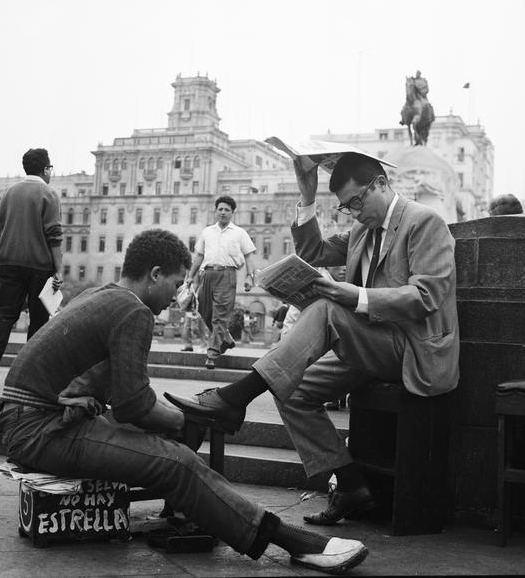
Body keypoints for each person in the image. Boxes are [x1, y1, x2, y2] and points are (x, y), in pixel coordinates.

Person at [0, 228, 368, 575]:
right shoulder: (133, 310)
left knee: (168, 446)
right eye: (175, 282)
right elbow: (133, 406)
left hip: (26, 419)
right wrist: (182, 422)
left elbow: (98, 385)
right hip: (39, 430)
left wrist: (160, 417)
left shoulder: (99, 294)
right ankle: (294, 542)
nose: (176, 294)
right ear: (154, 275)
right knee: (177, 463)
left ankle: (198, 506)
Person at [165, 151, 460, 526]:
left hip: (413, 348)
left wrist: (352, 295)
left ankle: (234, 398)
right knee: (292, 389)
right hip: (371, 342)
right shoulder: (361, 230)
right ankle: (351, 485)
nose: (353, 212)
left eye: (357, 202)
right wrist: (307, 196)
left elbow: (427, 296)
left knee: (326, 306)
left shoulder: (424, 222)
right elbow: (313, 252)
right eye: (346, 208)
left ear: (381, 184)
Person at [0, 148, 63, 387]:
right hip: (40, 266)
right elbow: (54, 235)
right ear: (45, 170)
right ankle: (30, 371)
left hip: (10, 264)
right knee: (39, 318)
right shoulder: (49, 194)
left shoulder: (9, 193)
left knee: (2, 312)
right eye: (50, 169)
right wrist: (59, 270)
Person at [185, 196, 256, 369]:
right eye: (220, 209)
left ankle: (212, 353)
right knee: (203, 308)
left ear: (233, 213)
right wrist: (190, 277)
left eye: (227, 210)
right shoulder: (207, 231)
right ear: (215, 211)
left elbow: (249, 256)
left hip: (227, 275)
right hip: (206, 275)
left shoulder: (239, 233)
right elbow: (199, 256)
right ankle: (226, 338)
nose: (223, 212)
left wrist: (249, 277)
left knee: (219, 316)